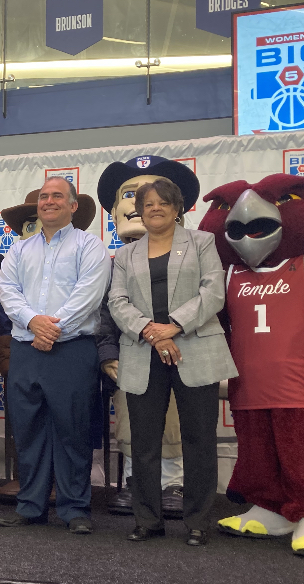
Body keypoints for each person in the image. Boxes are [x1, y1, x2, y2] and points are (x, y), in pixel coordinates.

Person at [107, 178, 237, 546]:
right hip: (142, 353)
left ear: (178, 208)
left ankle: (197, 521)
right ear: (140, 212)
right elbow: (117, 301)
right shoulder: (124, 255)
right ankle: (148, 520)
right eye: (148, 204)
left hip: (194, 349)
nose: (155, 208)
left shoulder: (202, 243)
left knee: (198, 441)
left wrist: (174, 326)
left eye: (164, 202)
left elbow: (214, 291)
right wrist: (150, 331)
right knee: (143, 442)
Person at [0, 177, 110, 535]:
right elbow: (8, 292)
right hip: (26, 348)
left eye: (57, 196)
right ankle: (30, 506)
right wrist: (34, 322)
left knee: (72, 429)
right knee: (28, 430)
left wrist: (51, 329)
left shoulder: (91, 246)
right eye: (44, 197)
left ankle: (74, 508)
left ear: (73, 206)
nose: (48, 202)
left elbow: (88, 295)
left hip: (73, 349)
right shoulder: (18, 251)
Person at [96, 155, 202, 519]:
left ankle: (174, 482)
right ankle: (134, 481)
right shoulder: (117, 260)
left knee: (176, 418)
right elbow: (108, 310)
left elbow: (209, 300)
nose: (147, 207)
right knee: (131, 416)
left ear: (177, 208)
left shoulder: (196, 251)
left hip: (183, 348)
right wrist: (108, 352)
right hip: (134, 350)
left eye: (159, 200)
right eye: (136, 197)